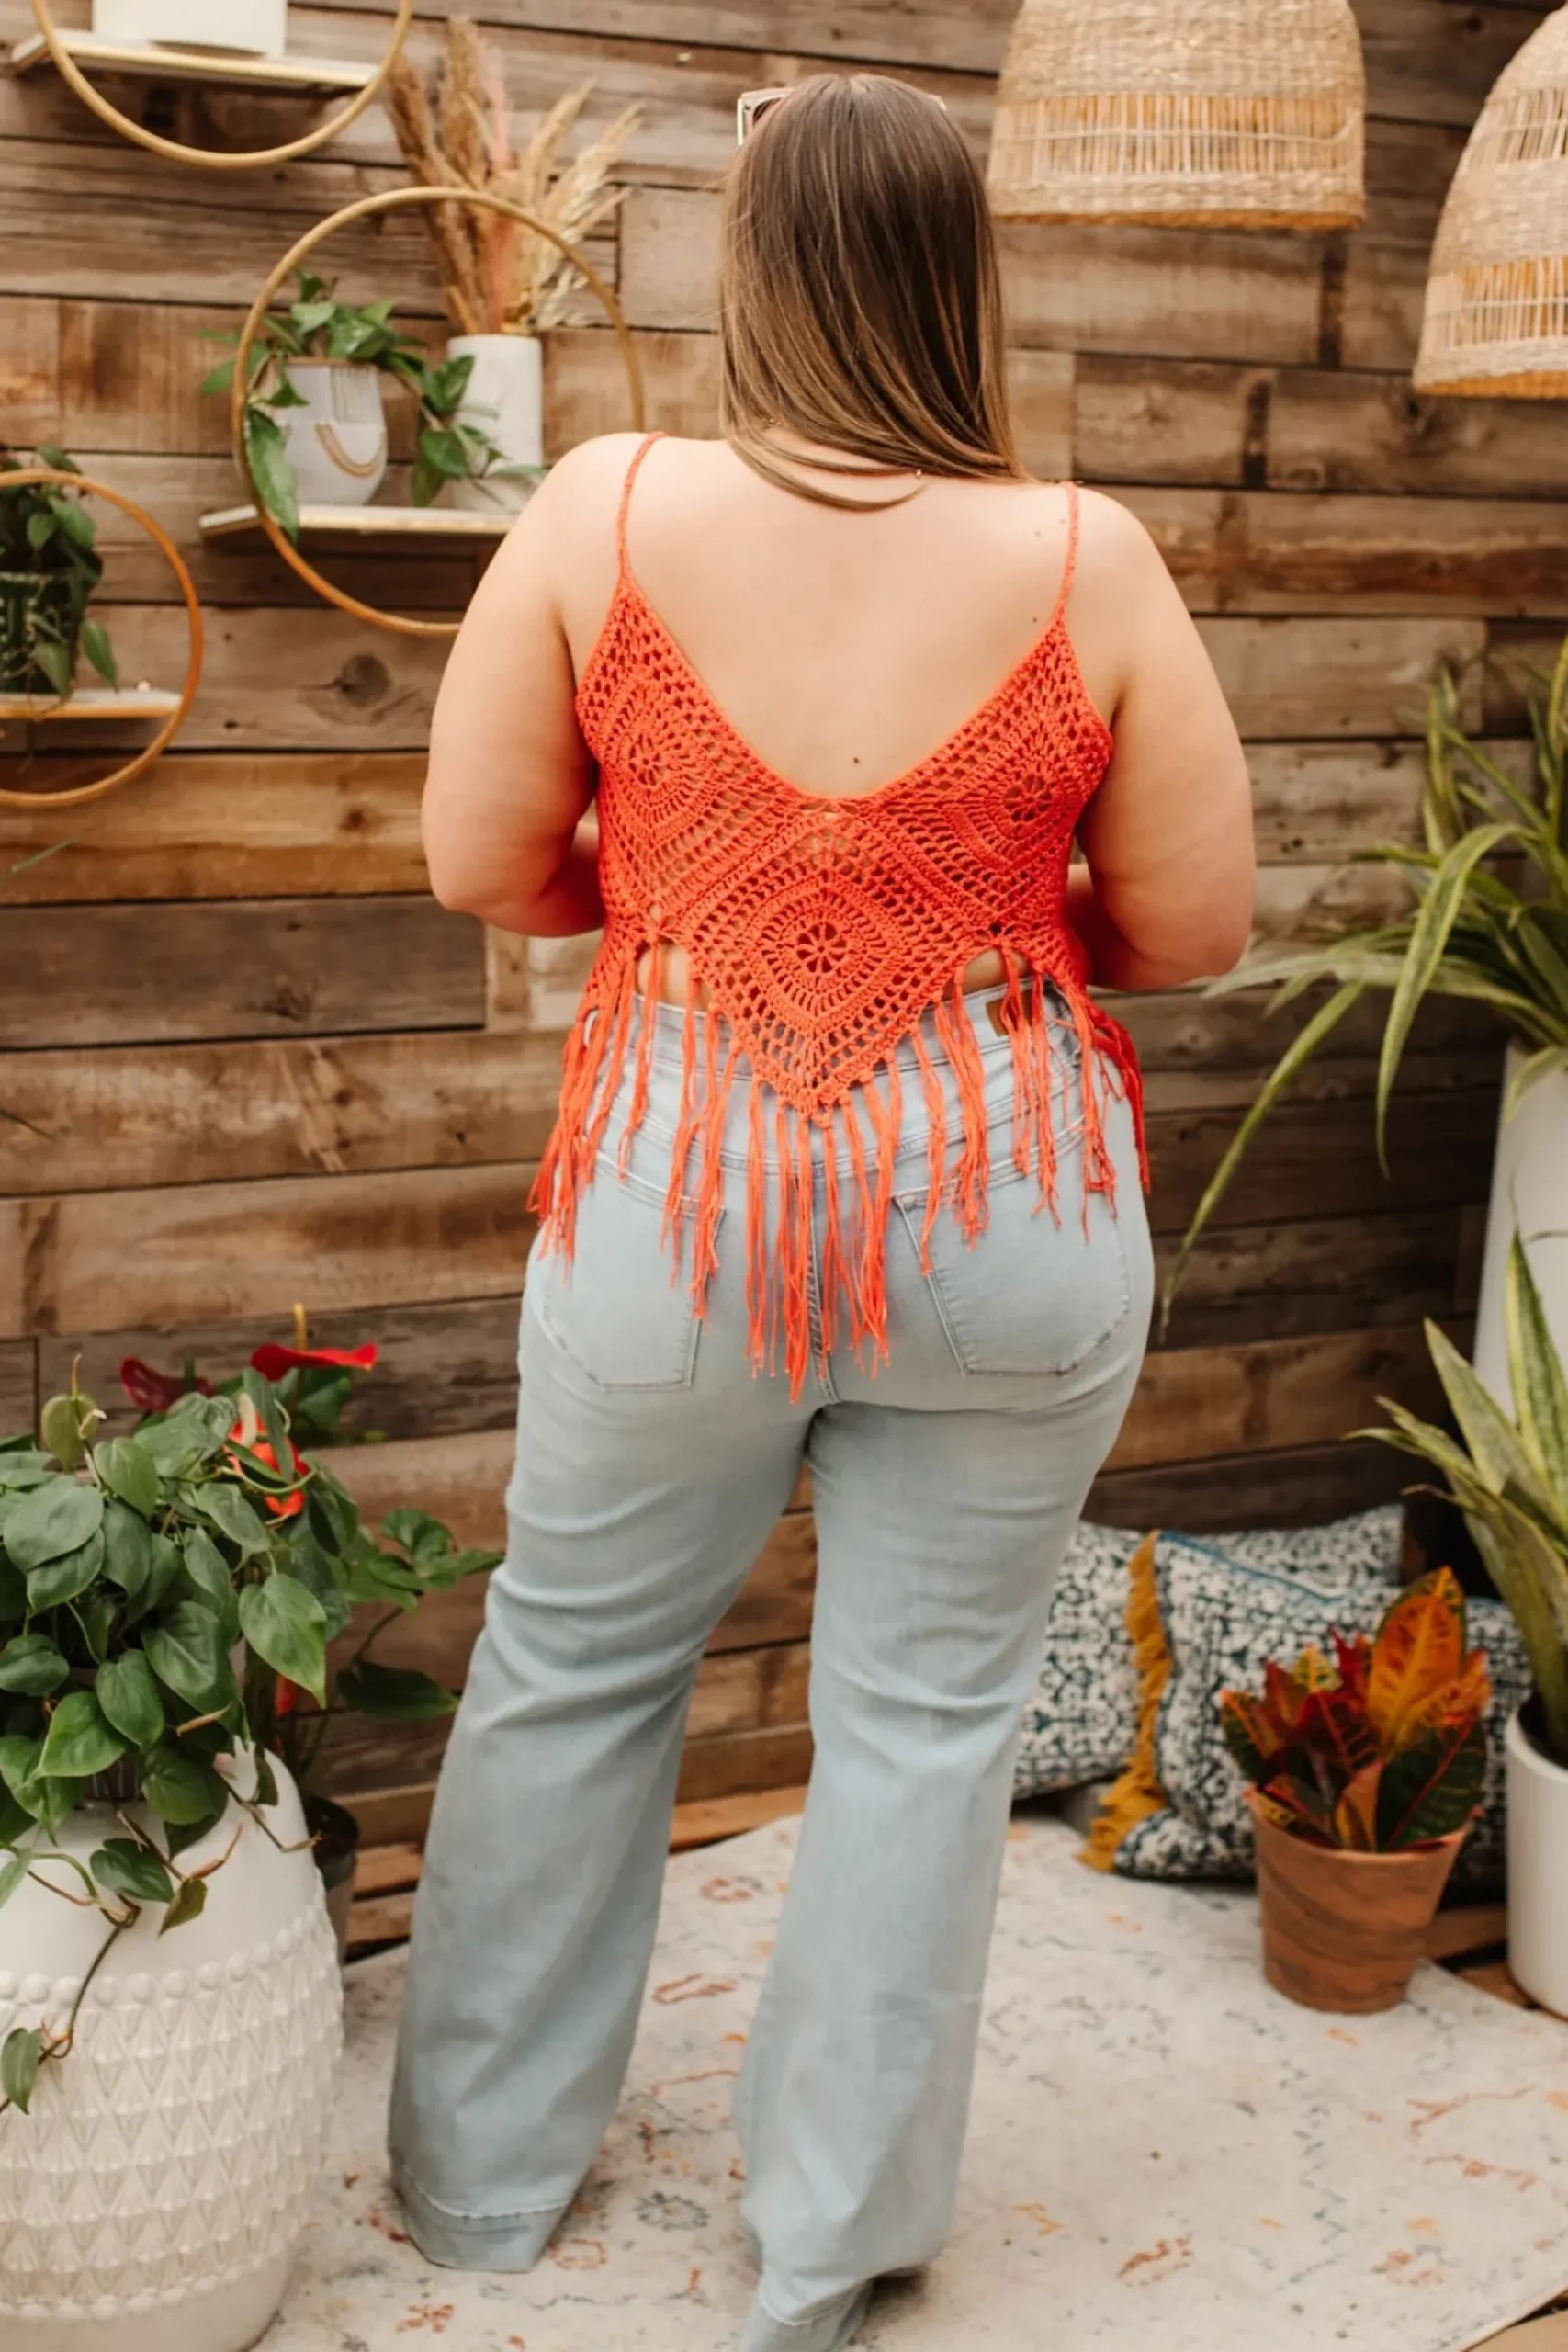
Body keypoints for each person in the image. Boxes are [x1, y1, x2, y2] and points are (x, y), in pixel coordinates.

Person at [389, 70, 1254, 2352]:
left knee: (572, 1668)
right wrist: (968, 907)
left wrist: (693, 900)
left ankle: (478, 2197)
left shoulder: (601, 507)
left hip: (683, 1176)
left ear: (748, 276)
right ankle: (822, 2251)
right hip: (1004, 1192)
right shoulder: (1092, 553)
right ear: (956, 279)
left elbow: (484, 865)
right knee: (926, 1718)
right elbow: (1190, 923)